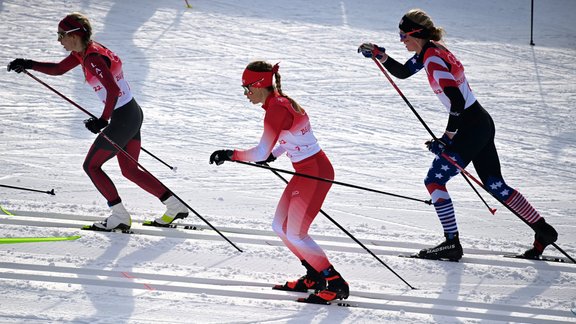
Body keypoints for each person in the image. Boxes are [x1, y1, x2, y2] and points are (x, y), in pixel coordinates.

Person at [358, 9, 558, 261]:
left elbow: (456, 100)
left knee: (434, 181)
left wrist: (447, 138)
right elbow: (403, 72)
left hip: (470, 127)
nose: (401, 40)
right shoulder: (430, 50)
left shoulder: (431, 59)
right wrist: (380, 55)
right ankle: (543, 231)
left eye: (403, 35)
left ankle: (451, 243)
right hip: (480, 123)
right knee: (495, 185)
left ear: (415, 33)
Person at [7, 12, 188, 230]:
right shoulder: (86, 51)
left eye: (61, 34)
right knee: (129, 170)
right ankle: (174, 205)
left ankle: (119, 216)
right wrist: (28, 64)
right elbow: (58, 69)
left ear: (74, 35)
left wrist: (103, 120)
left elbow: (112, 90)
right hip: (132, 113)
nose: (59, 40)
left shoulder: (92, 58)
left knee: (91, 166)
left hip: (122, 117)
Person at [209, 61, 349, 303]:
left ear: (260, 84)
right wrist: (275, 155)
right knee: (279, 226)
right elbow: (291, 136)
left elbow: (261, 151)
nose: (245, 94)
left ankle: (335, 282)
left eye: (247, 88)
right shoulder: (279, 103)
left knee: (296, 233)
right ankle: (314, 276)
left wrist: (230, 154)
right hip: (306, 171)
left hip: (314, 172)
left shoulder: (277, 108)